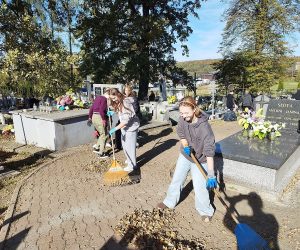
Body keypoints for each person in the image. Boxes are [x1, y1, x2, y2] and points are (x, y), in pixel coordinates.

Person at [157, 96, 217, 222]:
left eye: (186, 113)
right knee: (177, 179)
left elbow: (209, 152)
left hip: (201, 159)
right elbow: (181, 133)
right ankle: (169, 202)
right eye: (181, 113)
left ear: (194, 109)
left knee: (200, 186)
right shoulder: (183, 119)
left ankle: (205, 210)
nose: (184, 116)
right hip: (186, 155)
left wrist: (211, 174)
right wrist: (185, 146)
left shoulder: (205, 128)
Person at [107, 88, 140, 173]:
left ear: (118, 94)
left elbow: (125, 120)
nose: (113, 100)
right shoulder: (120, 101)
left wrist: (115, 129)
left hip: (131, 127)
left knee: (130, 147)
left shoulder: (126, 102)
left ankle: (132, 165)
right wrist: (113, 112)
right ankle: (129, 160)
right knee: (125, 146)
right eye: (112, 99)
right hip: (125, 128)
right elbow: (121, 110)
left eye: (114, 98)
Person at [88, 92, 109, 158]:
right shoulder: (104, 99)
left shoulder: (98, 98)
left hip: (94, 116)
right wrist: (103, 119)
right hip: (99, 117)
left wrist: (90, 117)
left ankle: (97, 147)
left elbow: (91, 108)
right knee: (104, 135)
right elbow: (101, 110)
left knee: (101, 133)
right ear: (108, 94)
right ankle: (101, 153)